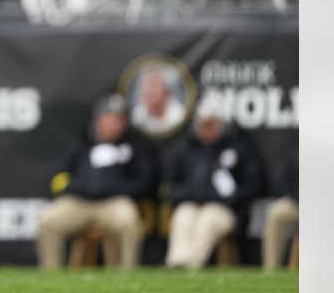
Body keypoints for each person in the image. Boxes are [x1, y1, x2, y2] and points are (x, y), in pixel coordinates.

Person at [36, 95, 158, 269]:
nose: (117, 124)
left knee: (129, 221)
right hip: (80, 202)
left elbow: (146, 181)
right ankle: (50, 274)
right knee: (47, 220)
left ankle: (128, 275)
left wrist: (115, 187)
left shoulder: (134, 145)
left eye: (121, 119)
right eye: (112, 118)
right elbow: (60, 178)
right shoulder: (81, 142)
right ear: (99, 120)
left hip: (113, 202)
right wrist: (80, 186)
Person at [164, 98, 264, 269]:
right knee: (183, 216)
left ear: (222, 123)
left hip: (226, 209)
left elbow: (256, 185)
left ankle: (190, 267)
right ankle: (176, 264)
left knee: (209, 219)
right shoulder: (186, 148)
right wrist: (192, 192)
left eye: (212, 124)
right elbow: (170, 186)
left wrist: (233, 195)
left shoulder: (239, 147)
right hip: (191, 203)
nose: (207, 129)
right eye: (203, 124)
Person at [262, 146, 298, 270]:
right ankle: (271, 269)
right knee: (277, 212)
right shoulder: (298, 150)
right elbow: (287, 182)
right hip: (298, 203)